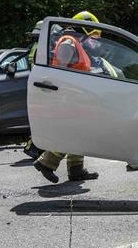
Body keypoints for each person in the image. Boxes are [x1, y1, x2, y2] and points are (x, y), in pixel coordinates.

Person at [32, 10, 111, 184]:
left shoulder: (77, 43)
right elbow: (61, 69)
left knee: (79, 131)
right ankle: (46, 162)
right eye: (92, 35)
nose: (94, 40)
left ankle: (76, 169)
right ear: (84, 28)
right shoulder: (69, 42)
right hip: (68, 97)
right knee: (75, 133)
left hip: (76, 97)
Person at [22, 20, 45, 160]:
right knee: (43, 120)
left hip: (36, 86)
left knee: (40, 120)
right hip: (41, 87)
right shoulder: (40, 48)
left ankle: (34, 147)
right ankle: (32, 147)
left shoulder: (35, 46)